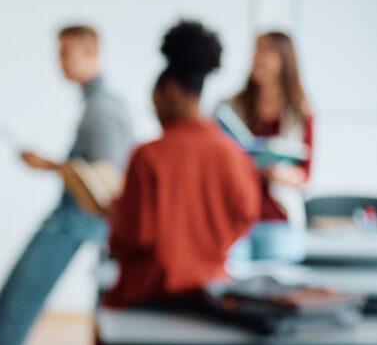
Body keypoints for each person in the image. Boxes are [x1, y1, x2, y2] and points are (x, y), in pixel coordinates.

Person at [0, 25, 133, 345]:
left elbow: (103, 179)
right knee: (12, 297)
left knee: (18, 301)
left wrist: (49, 165)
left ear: (91, 51)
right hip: (71, 220)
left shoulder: (103, 110)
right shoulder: (97, 105)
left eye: (67, 53)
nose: (60, 62)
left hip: (76, 223)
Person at [105, 20, 261, 308]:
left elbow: (132, 235)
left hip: (149, 296)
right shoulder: (235, 155)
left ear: (170, 91)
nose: (155, 110)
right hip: (212, 296)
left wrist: (114, 213)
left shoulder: (148, 156)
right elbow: (245, 216)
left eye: (155, 100)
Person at [223, 31, 314, 261]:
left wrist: (273, 172)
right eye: (257, 50)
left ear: (284, 61)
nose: (258, 58)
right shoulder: (232, 108)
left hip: (277, 219)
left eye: (267, 51)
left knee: (277, 292)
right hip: (237, 216)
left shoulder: (300, 113)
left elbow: (305, 175)